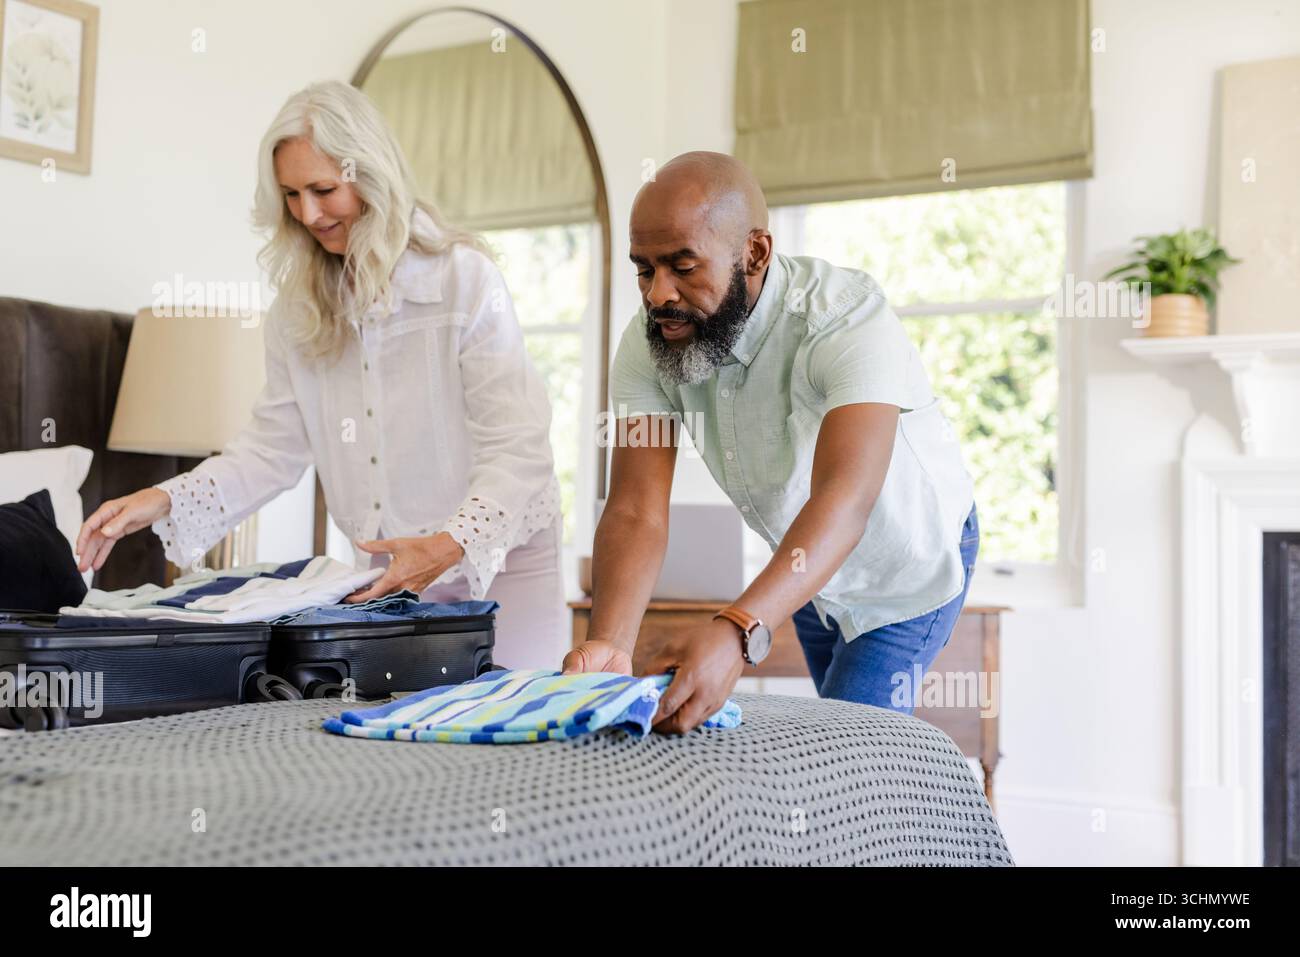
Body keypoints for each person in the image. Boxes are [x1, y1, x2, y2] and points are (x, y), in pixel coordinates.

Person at [75, 81, 565, 669]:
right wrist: (163, 498)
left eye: (323, 189)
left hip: (504, 559)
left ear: (373, 176)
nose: (307, 213)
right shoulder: (297, 311)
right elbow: (269, 451)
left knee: (518, 736)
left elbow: (519, 447)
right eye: (290, 194)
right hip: (393, 572)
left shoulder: (464, 282)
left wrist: (447, 545)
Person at [563, 151, 978, 730]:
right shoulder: (649, 342)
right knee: (829, 733)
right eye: (644, 269)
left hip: (907, 560)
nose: (659, 294)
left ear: (754, 252)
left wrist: (737, 630)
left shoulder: (845, 316)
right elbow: (635, 508)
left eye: (683, 266)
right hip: (807, 557)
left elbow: (846, 496)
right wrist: (609, 643)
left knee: (847, 752)